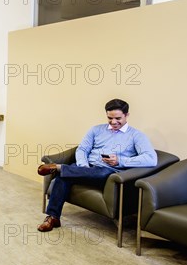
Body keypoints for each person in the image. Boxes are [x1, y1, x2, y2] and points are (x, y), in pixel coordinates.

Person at [37, 98, 157, 232]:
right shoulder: (96, 130)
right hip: (87, 167)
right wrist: (83, 166)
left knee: (90, 172)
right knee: (63, 177)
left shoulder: (136, 136)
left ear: (127, 115)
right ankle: (53, 217)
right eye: (110, 118)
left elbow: (151, 159)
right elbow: (82, 149)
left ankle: (59, 168)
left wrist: (120, 160)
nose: (113, 122)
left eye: (118, 118)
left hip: (108, 173)